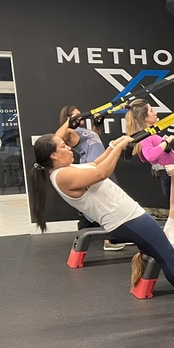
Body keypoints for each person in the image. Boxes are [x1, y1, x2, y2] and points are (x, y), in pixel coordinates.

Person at [30, 133, 174, 296]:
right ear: (54, 155)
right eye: (63, 146)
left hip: (129, 217)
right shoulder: (62, 176)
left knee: (162, 254)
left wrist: (113, 146)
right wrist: (119, 148)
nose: (69, 148)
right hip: (127, 220)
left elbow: (95, 164)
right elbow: (101, 173)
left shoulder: (67, 169)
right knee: (168, 257)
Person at [54, 106, 130, 251]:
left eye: (80, 114)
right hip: (92, 168)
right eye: (76, 115)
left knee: (111, 200)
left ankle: (93, 228)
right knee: (105, 202)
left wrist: (96, 125)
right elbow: (57, 138)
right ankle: (109, 240)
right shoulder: (70, 132)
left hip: (103, 164)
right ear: (69, 118)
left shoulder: (86, 131)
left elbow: (95, 139)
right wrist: (69, 123)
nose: (80, 117)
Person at [125, 98, 174, 220]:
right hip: (172, 178)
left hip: (172, 177)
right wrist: (165, 142)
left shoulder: (148, 135)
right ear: (145, 117)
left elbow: (144, 158)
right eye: (151, 110)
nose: (155, 113)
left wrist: (163, 144)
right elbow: (150, 155)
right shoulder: (146, 137)